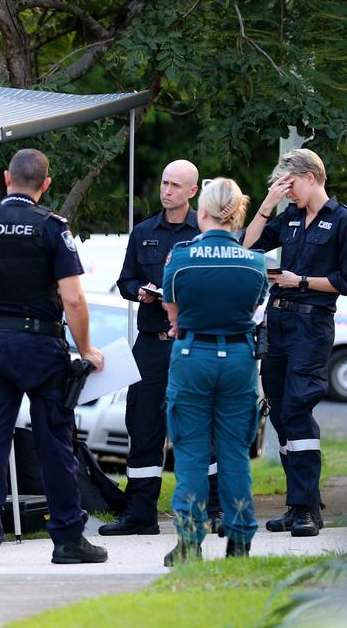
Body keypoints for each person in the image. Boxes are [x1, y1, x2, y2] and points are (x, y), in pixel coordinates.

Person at [0, 148, 107, 566]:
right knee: (54, 444)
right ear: (45, 185)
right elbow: (73, 297)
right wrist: (85, 349)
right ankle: (68, 540)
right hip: (41, 348)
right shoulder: (52, 228)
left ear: (7, 178)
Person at [242, 148, 347, 537]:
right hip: (278, 322)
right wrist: (268, 204)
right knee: (279, 411)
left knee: (297, 408)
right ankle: (296, 505)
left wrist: (301, 282)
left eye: (290, 185)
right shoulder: (289, 216)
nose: (288, 192)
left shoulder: (345, 222)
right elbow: (248, 246)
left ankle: (308, 508)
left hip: (312, 323)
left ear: (311, 177)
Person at [105, 160, 225, 536]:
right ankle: (140, 512)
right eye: (164, 182)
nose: (167, 190)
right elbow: (125, 280)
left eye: (176, 185)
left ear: (193, 192)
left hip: (192, 343)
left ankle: (214, 508)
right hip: (152, 343)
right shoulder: (143, 232)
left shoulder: (205, 231)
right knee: (143, 425)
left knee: (202, 427)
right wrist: (138, 291)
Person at [160, 178, 268, 565]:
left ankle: (190, 542)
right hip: (239, 358)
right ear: (237, 215)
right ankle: (240, 539)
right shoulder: (255, 263)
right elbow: (253, 307)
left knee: (190, 451)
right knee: (234, 452)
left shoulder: (181, 257)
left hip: (192, 354)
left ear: (202, 212)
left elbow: (172, 314)